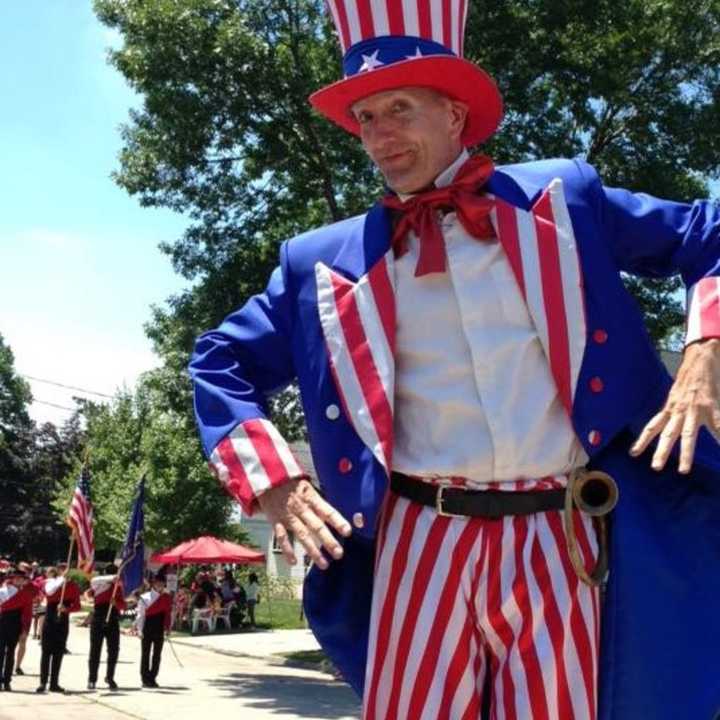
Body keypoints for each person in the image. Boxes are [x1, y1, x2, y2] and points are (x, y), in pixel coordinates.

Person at [188, 2, 720, 718]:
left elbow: (707, 234)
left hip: (561, 530)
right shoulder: (319, 262)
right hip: (417, 540)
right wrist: (273, 484)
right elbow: (219, 361)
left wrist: (704, 352)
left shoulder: (566, 199)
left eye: (398, 108)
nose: (378, 135)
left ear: (454, 115)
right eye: (366, 117)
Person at [36, 566, 81, 693]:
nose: (65, 573)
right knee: (46, 652)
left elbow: (77, 606)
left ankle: (54, 683)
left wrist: (67, 609)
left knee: (58, 653)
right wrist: (60, 582)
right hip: (50, 618)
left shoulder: (73, 586)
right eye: (62, 570)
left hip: (63, 620)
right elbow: (47, 593)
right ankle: (43, 682)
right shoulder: (50, 583)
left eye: (67, 571)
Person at [87, 563, 125, 690]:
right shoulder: (99, 584)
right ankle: (92, 679)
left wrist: (116, 603)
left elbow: (123, 606)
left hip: (113, 617)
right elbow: (90, 588)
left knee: (113, 650)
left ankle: (110, 677)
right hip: (99, 616)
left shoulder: (117, 588)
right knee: (95, 650)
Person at [135, 572, 172, 688]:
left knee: (157, 655)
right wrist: (140, 630)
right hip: (147, 628)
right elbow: (140, 615)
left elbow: (168, 614)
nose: (160, 586)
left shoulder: (166, 597)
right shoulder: (145, 598)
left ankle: (153, 677)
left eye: (162, 584)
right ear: (153, 584)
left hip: (159, 628)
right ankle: (145, 678)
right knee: (145, 654)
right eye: (158, 583)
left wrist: (167, 627)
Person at [0, 568, 34, 691]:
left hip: (15, 625)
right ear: (12, 579)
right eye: (16, 578)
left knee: (10, 654)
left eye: (21, 579)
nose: (18, 580)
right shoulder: (2, 591)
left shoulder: (25, 595)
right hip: (2, 623)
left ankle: (7, 680)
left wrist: (25, 630)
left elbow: (27, 614)